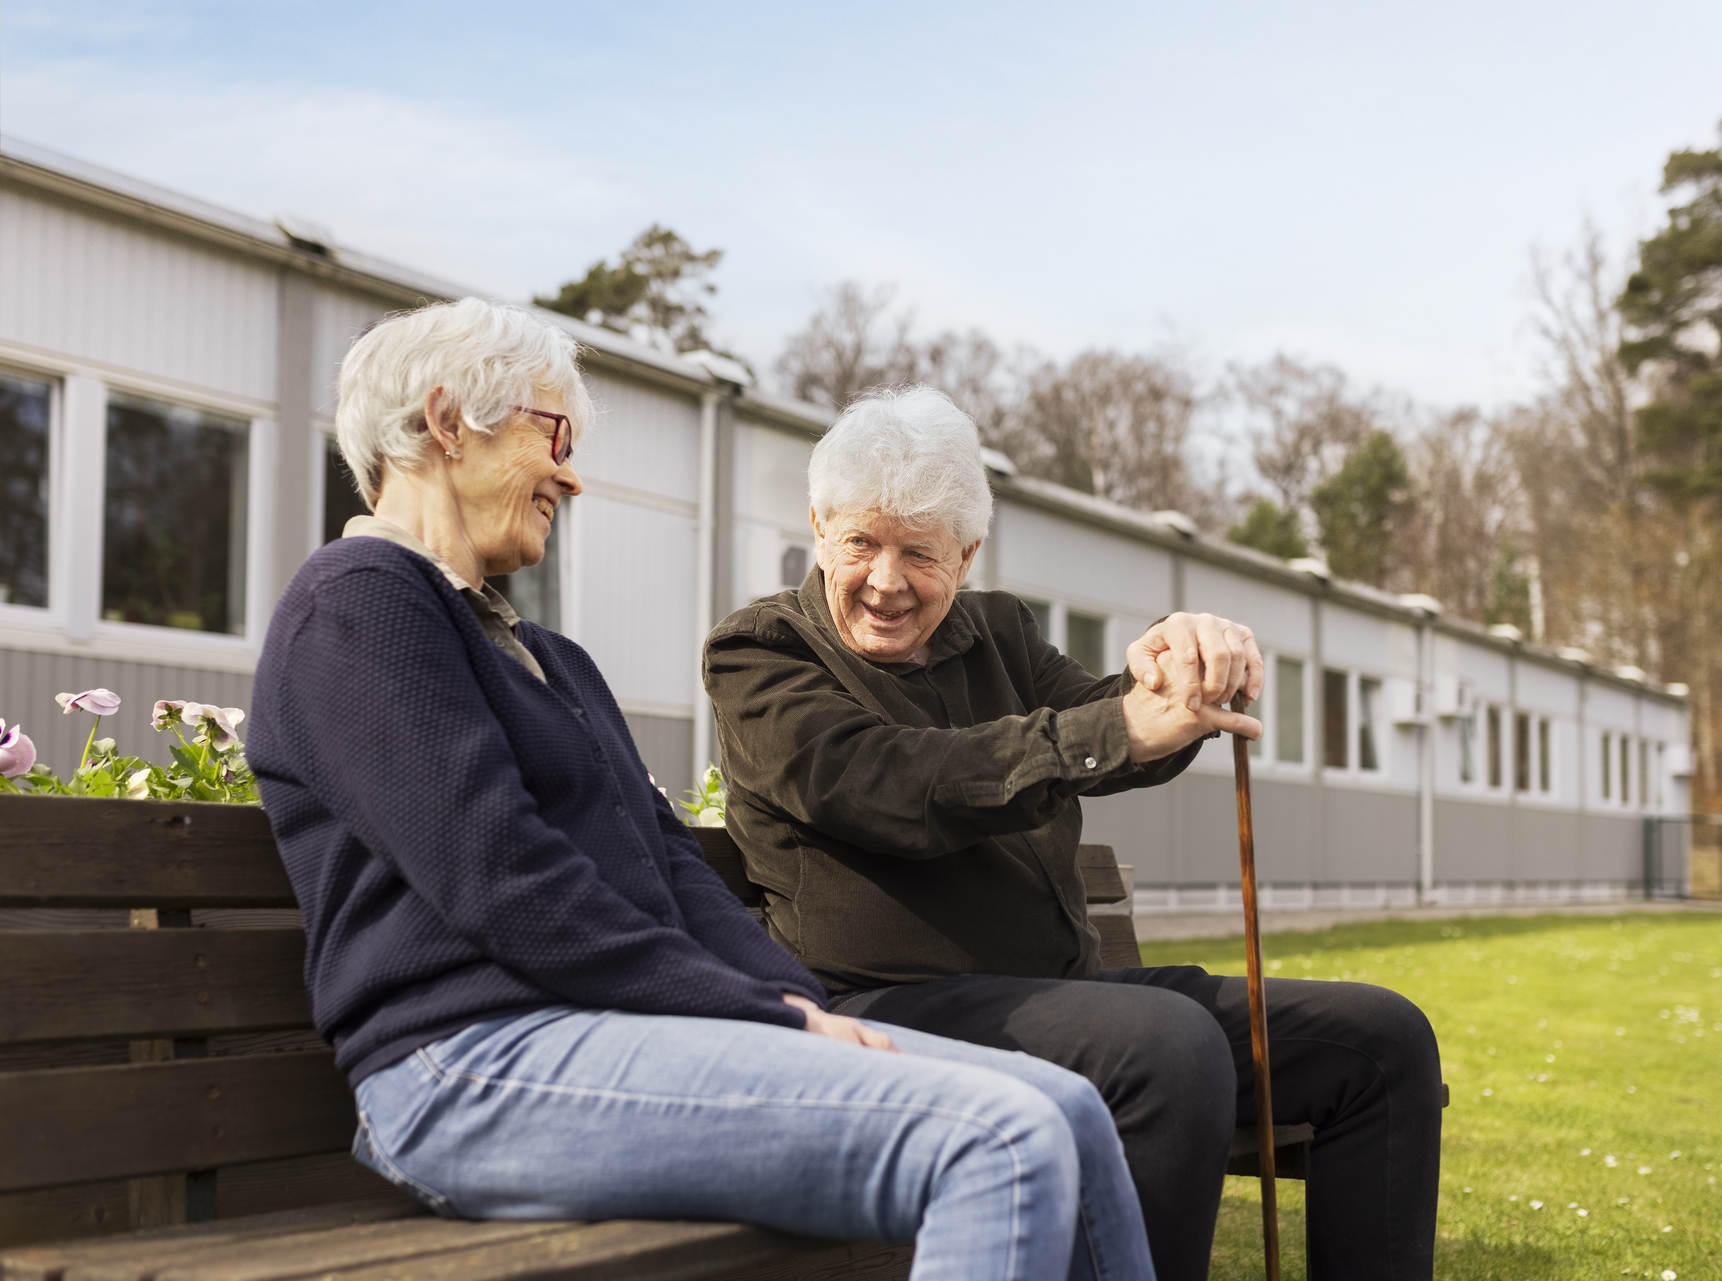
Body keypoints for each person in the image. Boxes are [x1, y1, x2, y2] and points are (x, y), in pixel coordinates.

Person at [247, 300, 1154, 1281]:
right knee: (1000, 1140)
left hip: (610, 1041)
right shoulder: (360, 600)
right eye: (554, 434)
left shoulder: (554, 662)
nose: (571, 472)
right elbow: (504, 880)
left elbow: (675, 867)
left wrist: (800, 1007)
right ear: (445, 420)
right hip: (469, 1065)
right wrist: (770, 1017)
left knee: (1068, 1110)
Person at [705, 385, 1445, 1281]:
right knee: (1164, 1047)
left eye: (920, 553)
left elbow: (1112, 718)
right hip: (887, 1011)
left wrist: (1179, 675)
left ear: (967, 555)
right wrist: (1116, 729)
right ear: (820, 526)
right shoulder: (760, 653)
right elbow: (888, 781)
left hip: (1066, 996)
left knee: (1382, 1040)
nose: (885, 579)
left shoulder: (1000, 633)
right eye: (861, 542)